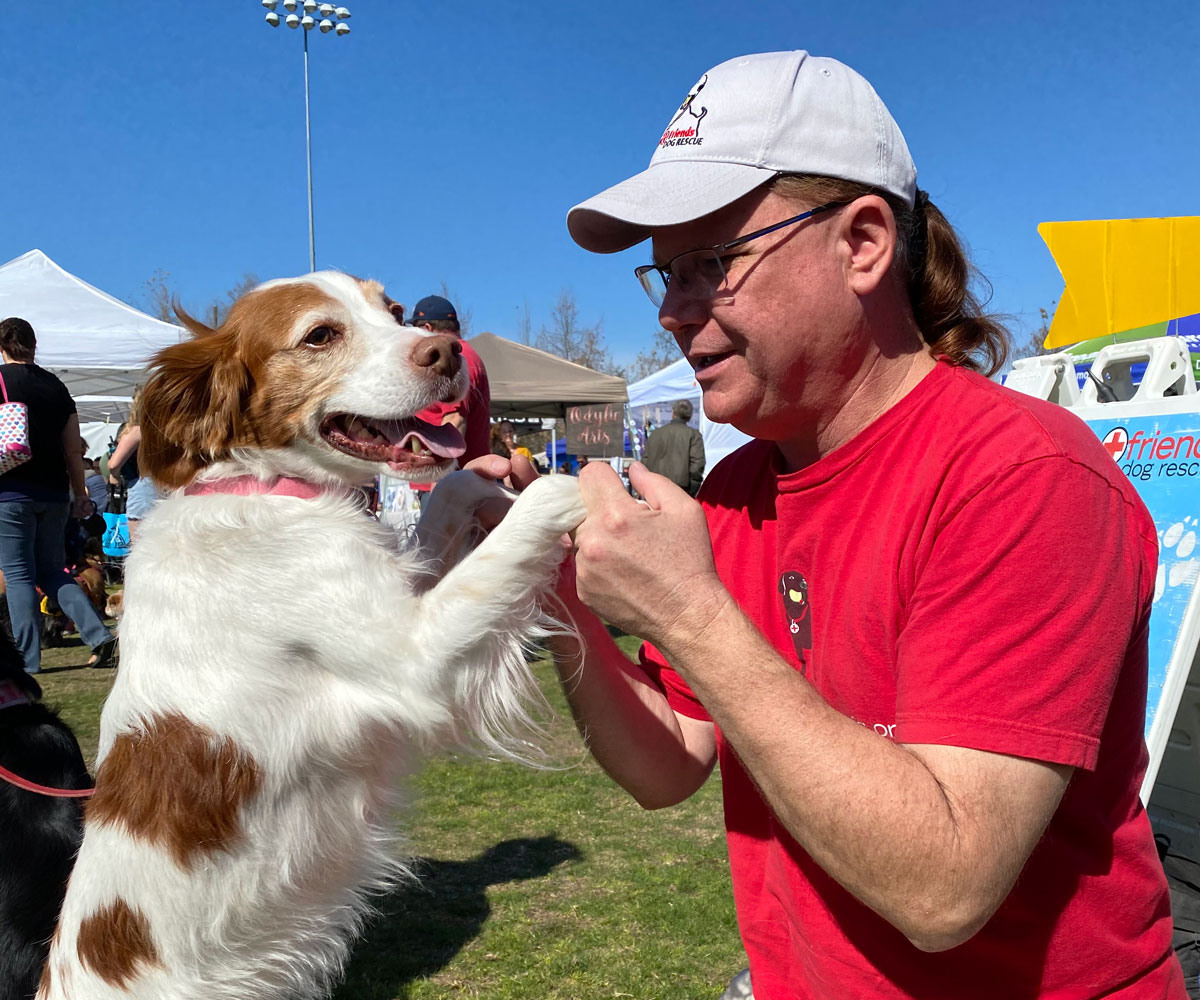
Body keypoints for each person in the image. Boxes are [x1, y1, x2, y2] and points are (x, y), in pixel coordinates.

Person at [481, 51, 1183, 998]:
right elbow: (668, 763)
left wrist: (688, 612)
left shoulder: (1023, 476)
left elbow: (945, 884)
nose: (675, 314)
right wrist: (549, 585)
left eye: (710, 264)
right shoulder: (734, 491)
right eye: (665, 276)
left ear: (861, 243)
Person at [0, 318, 116, 671]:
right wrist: (80, 493)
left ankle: (27, 660)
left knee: (18, 575)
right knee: (53, 570)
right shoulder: (57, 387)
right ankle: (99, 637)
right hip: (53, 493)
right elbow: (72, 451)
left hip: (9, 492)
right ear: (34, 346)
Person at [410, 295, 492, 502]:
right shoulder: (462, 356)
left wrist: (439, 480)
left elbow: (456, 419)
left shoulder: (457, 360)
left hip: (452, 487)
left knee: (441, 536)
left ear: (427, 329)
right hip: (454, 483)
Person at [106, 385, 162, 543]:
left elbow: (113, 464)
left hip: (142, 487)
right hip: (164, 488)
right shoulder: (163, 431)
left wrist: (114, 476)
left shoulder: (137, 431)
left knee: (140, 548)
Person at [641, 399, 705, 496]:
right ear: (690, 416)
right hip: (680, 490)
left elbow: (645, 461)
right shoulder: (694, 435)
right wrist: (692, 491)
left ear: (673, 413)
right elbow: (697, 465)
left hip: (654, 489)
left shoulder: (656, 434)